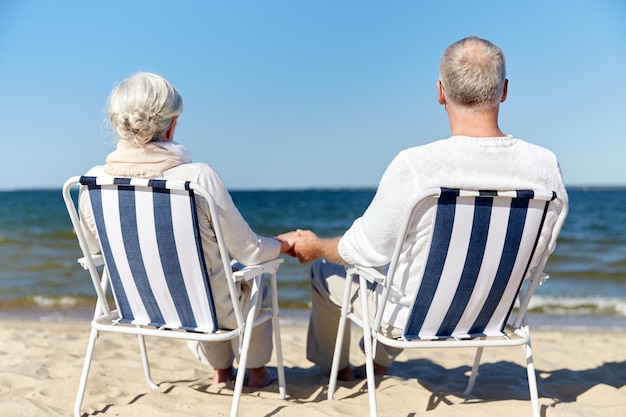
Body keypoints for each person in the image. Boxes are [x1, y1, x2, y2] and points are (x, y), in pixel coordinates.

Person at [291, 36, 568, 381]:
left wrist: (315, 247)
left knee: (328, 272)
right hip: (494, 315)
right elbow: (539, 252)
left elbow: (365, 250)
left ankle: (337, 370)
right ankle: (376, 365)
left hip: (412, 318)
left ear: (440, 92)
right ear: (504, 90)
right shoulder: (543, 166)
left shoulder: (418, 165)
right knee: (420, 271)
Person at [78, 71, 298, 388]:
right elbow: (251, 252)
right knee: (254, 274)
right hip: (211, 312)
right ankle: (257, 371)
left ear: (116, 124)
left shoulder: (92, 183)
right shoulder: (197, 178)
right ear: (172, 124)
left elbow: (93, 250)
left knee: (201, 275)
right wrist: (284, 242)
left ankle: (221, 370)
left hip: (142, 309)